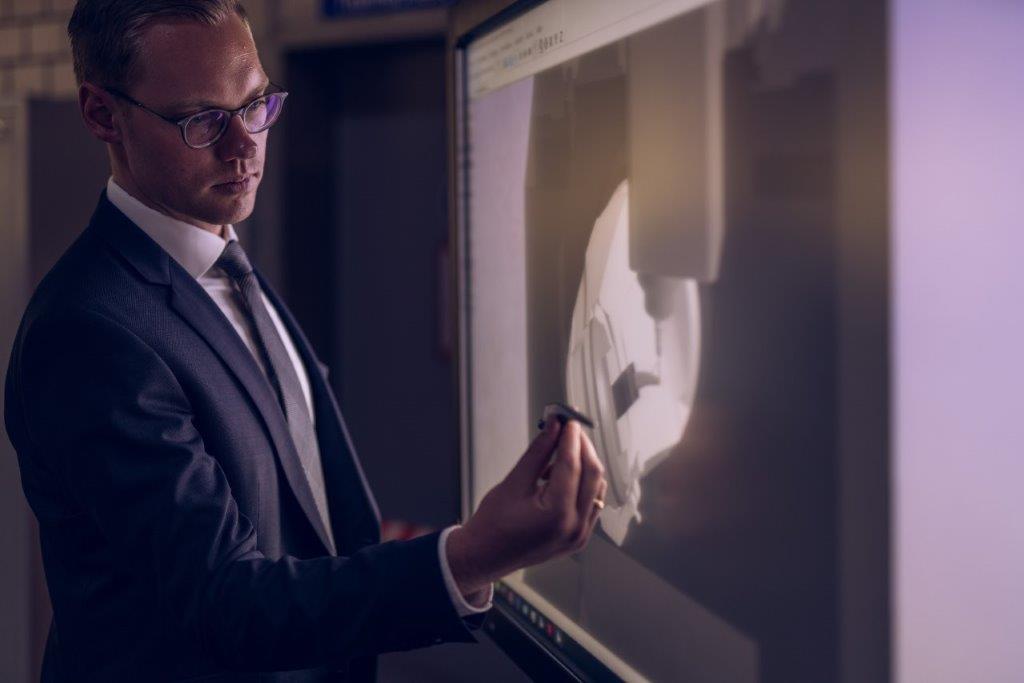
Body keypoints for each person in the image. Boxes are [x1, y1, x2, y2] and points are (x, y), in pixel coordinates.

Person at [2, 1, 607, 681]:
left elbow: (275, 504)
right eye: (202, 121)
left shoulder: (219, 259)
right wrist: (468, 556)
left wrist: (382, 541)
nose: (245, 146)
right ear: (101, 114)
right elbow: (227, 603)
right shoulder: (88, 332)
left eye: (257, 103)